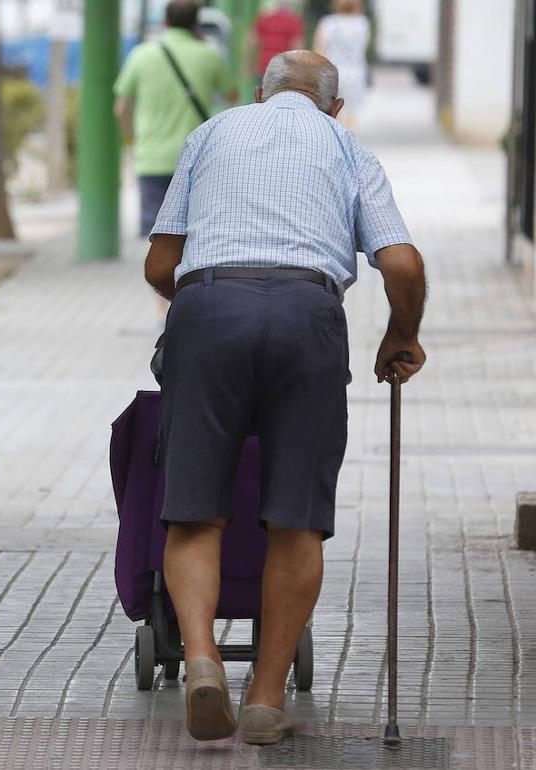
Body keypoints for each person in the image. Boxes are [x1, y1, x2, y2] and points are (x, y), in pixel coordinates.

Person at [144, 51, 426, 744]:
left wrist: (214, 309)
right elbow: (402, 262)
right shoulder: (345, 146)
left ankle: (204, 660)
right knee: (296, 519)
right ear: (334, 106)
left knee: (194, 516)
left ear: (259, 94)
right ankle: (266, 699)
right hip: (310, 316)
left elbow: (159, 264)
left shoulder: (212, 133)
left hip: (210, 305)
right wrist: (401, 335)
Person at [114, 0, 237, 238]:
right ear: (196, 24)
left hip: (151, 156)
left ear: (165, 21)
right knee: (192, 234)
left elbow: (121, 108)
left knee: (155, 238)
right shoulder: (208, 55)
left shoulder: (141, 55)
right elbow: (231, 95)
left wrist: (132, 139)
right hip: (197, 159)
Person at [314, 0, 371, 129]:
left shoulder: (328, 23)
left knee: (334, 113)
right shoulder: (363, 23)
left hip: (333, 72)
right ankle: (349, 143)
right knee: (351, 114)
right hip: (356, 72)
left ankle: (336, 144)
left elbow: (319, 49)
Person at [252, 1, 305, 89]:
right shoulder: (294, 21)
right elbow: (297, 47)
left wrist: (251, 65)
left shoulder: (264, 18)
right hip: (283, 68)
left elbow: (254, 41)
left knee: (262, 95)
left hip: (264, 66)